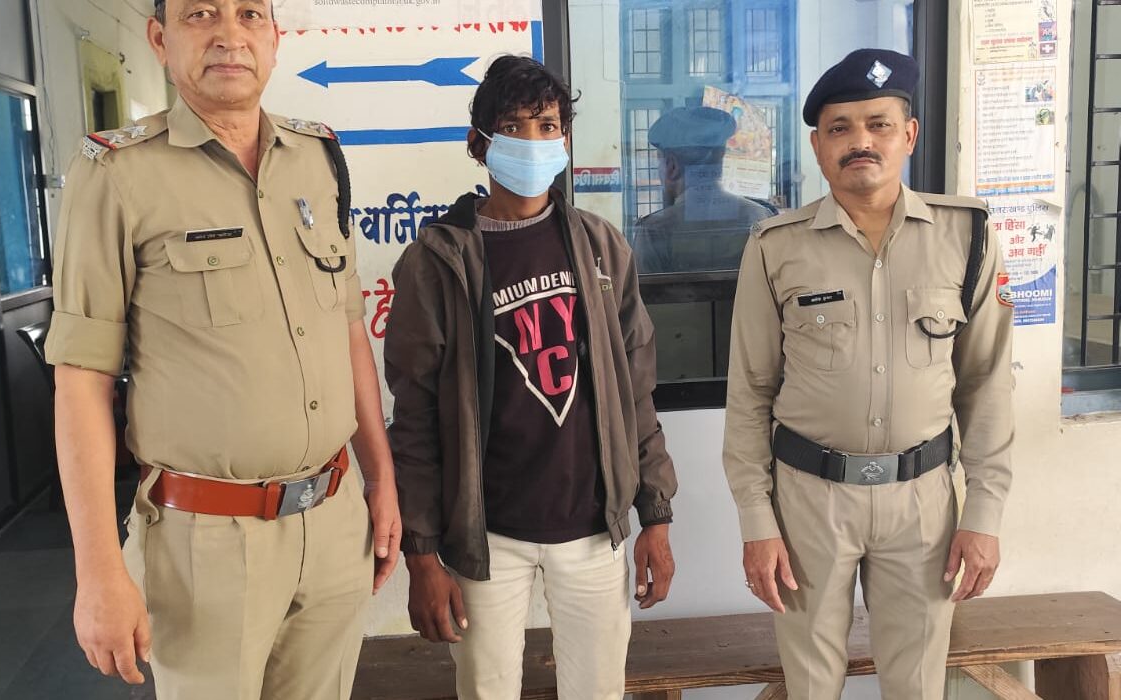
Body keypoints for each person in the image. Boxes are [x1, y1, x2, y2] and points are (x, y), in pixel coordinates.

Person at [45, 1, 401, 697]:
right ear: (159, 38)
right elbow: (81, 380)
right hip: (205, 541)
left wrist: (380, 476)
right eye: (201, 14)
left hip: (334, 519)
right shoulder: (115, 174)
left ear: (274, 37)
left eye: (248, 14)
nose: (229, 36)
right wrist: (97, 570)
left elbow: (347, 328)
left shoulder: (317, 158)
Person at [383, 55, 677, 699]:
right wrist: (422, 553)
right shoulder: (437, 261)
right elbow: (415, 420)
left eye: (547, 126)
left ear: (565, 139)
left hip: (594, 528)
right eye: (513, 127)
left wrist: (655, 513)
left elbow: (636, 392)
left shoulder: (601, 246)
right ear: (479, 143)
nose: (534, 141)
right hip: (487, 535)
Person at [723, 48, 1014, 699]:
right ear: (818, 146)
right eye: (840, 128)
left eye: (878, 124)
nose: (861, 141)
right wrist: (756, 521)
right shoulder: (775, 246)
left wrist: (985, 512)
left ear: (908, 134)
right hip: (808, 500)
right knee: (810, 685)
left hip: (924, 502)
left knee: (917, 685)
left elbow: (987, 384)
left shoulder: (966, 236)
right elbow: (750, 395)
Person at [632, 106, 775, 274]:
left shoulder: (654, 230)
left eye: (659, 162)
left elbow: (642, 288)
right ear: (721, 156)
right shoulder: (759, 217)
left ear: (672, 166)